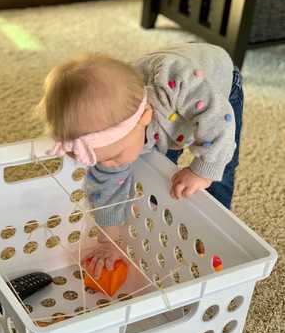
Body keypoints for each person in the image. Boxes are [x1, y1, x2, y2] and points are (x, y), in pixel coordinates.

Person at [37, 43, 244, 277]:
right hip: (162, 120)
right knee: (159, 161)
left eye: (113, 157)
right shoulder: (114, 145)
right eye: (99, 160)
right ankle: (158, 199)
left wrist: (202, 171)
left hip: (216, 86)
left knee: (219, 167)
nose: (109, 165)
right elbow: (107, 188)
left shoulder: (178, 84)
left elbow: (220, 123)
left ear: (144, 118)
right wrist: (109, 242)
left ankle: (216, 234)